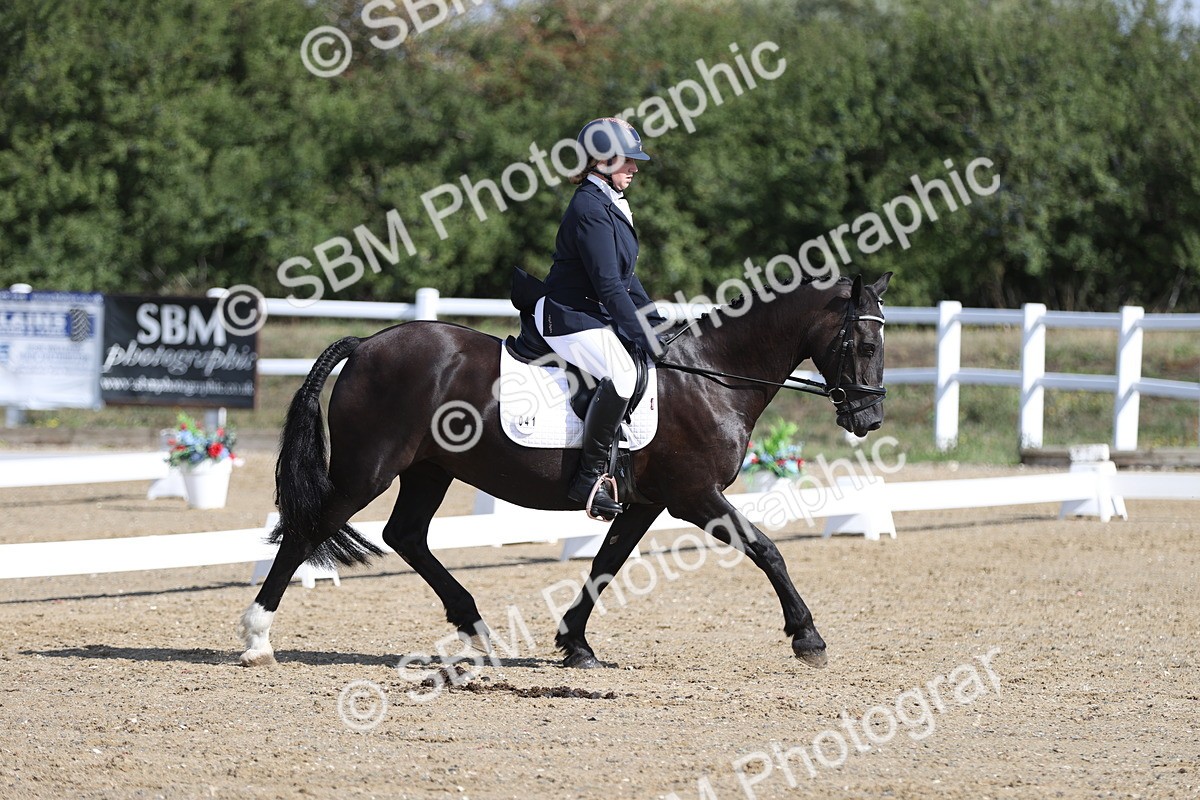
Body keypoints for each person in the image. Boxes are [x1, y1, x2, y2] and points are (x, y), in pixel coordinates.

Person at [535, 117, 668, 520]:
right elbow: (609, 286)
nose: (635, 167)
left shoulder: (609, 202)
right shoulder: (590, 208)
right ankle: (587, 478)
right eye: (628, 159)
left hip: (590, 311)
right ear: (603, 159)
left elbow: (629, 280)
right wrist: (643, 336)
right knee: (623, 375)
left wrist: (657, 323)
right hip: (567, 315)